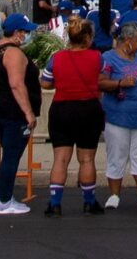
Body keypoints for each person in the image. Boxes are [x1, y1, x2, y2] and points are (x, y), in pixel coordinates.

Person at [43, 16, 105, 217]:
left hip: (62, 108)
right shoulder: (97, 57)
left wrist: (60, 82)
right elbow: (102, 77)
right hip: (88, 108)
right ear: (87, 38)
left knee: (60, 158)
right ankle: (89, 201)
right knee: (87, 158)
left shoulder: (57, 58)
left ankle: (55, 203)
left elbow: (45, 82)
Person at [0, 14, 41, 217]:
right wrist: (28, 112)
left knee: (8, 154)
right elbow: (16, 84)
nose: (26, 35)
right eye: (24, 32)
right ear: (17, 33)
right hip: (13, 112)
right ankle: (4, 199)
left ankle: (4, 196)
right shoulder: (14, 53)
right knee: (11, 155)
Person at [97, 21, 137, 212]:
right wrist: (119, 83)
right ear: (127, 40)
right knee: (117, 155)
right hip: (118, 117)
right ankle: (114, 194)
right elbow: (100, 82)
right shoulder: (109, 58)